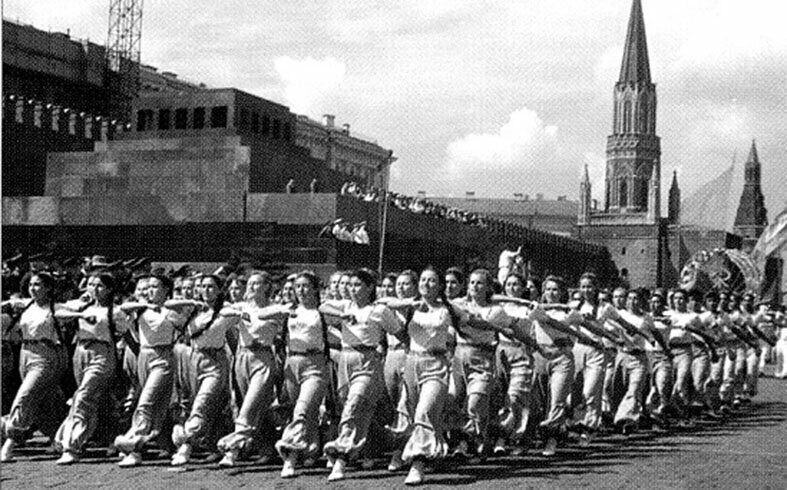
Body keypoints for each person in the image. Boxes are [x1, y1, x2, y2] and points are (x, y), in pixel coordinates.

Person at [321, 269, 400, 481]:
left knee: (354, 405)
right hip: (346, 361)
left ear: (369, 288)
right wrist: (341, 315)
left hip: (368, 361)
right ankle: (390, 442)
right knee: (357, 409)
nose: (352, 289)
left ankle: (341, 455)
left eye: (357, 285)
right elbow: (323, 306)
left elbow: (398, 332)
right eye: (350, 285)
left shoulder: (379, 310)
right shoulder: (345, 305)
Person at [53, 272, 128, 464]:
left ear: (110, 289)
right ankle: (116, 438)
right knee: (100, 399)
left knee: (84, 396)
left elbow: (125, 332)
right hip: (80, 352)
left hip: (103, 353)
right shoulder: (81, 305)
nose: (94, 289)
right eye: (91, 284)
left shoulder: (114, 311)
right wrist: (80, 312)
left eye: (100, 285)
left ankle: (72, 445)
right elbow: (59, 313)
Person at [167, 274, 239, 466]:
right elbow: (169, 305)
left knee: (203, 402)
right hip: (194, 359)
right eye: (202, 287)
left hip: (215, 360)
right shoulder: (192, 311)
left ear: (218, 290)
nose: (205, 291)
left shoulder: (225, 311)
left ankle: (185, 444)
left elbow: (236, 321)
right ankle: (215, 446)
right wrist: (193, 301)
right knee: (207, 406)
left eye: (210, 287)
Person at [114, 274, 185, 467]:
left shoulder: (171, 310)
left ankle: (132, 443)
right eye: (148, 287)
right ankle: (155, 443)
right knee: (155, 405)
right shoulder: (141, 309)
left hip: (163, 357)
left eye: (155, 287)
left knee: (146, 402)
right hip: (143, 357)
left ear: (165, 290)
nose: (150, 291)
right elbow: (122, 309)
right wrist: (145, 305)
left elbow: (186, 320)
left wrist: (168, 306)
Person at [217, 271, 283, 466]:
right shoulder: (242, 306)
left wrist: (255, 315)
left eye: (257, 284)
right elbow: (223, 312)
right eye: (250, 284)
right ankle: (266, 447)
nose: (251, 287)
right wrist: (239, 313)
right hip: (243, 357)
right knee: (251, 404)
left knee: (251, 404)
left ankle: (232, 449)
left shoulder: (274, 308)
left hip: (263, 358)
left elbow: (279, 317)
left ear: (266, 287)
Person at [1, 272, 68, 462]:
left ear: (48, 288)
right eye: (31, 284)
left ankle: (9, 443)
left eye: (38, 284)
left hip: (46, 355)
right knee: (44, 402)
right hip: (25, 353)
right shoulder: (25, 305)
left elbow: (75, 311)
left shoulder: (56, 308)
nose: (33, 288)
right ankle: (58, 439)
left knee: (26, 396)